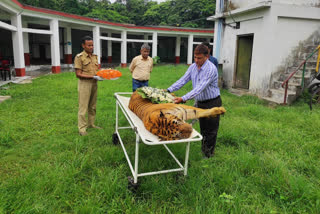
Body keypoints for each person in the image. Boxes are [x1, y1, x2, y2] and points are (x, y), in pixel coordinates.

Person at [166, 44, 222, 158]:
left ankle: (208, 155)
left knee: (211, 129)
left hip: (212, 102)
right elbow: (183, 80)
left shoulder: (210, 69)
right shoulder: (193, 67)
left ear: (207, 56)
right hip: (201, 103)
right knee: (203, 128)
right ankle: (205, 150)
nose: (196, 60)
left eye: (199, 58)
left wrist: (183, 98)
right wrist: (168, 90)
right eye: (195, 57)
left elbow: (200, 88)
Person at [74, 36, 103, 136]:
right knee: (83, 107)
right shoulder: (79, 57)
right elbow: (78, 74)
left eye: (92, 45)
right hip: (85, 84)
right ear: (83, 45)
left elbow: (97, 70)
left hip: (94, 83)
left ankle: (91, 124)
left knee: (92, 105)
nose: (91, 47)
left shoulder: (95, 56)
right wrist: (92, 76)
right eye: (89, 45)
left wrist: (102, 75)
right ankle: (82, 129)